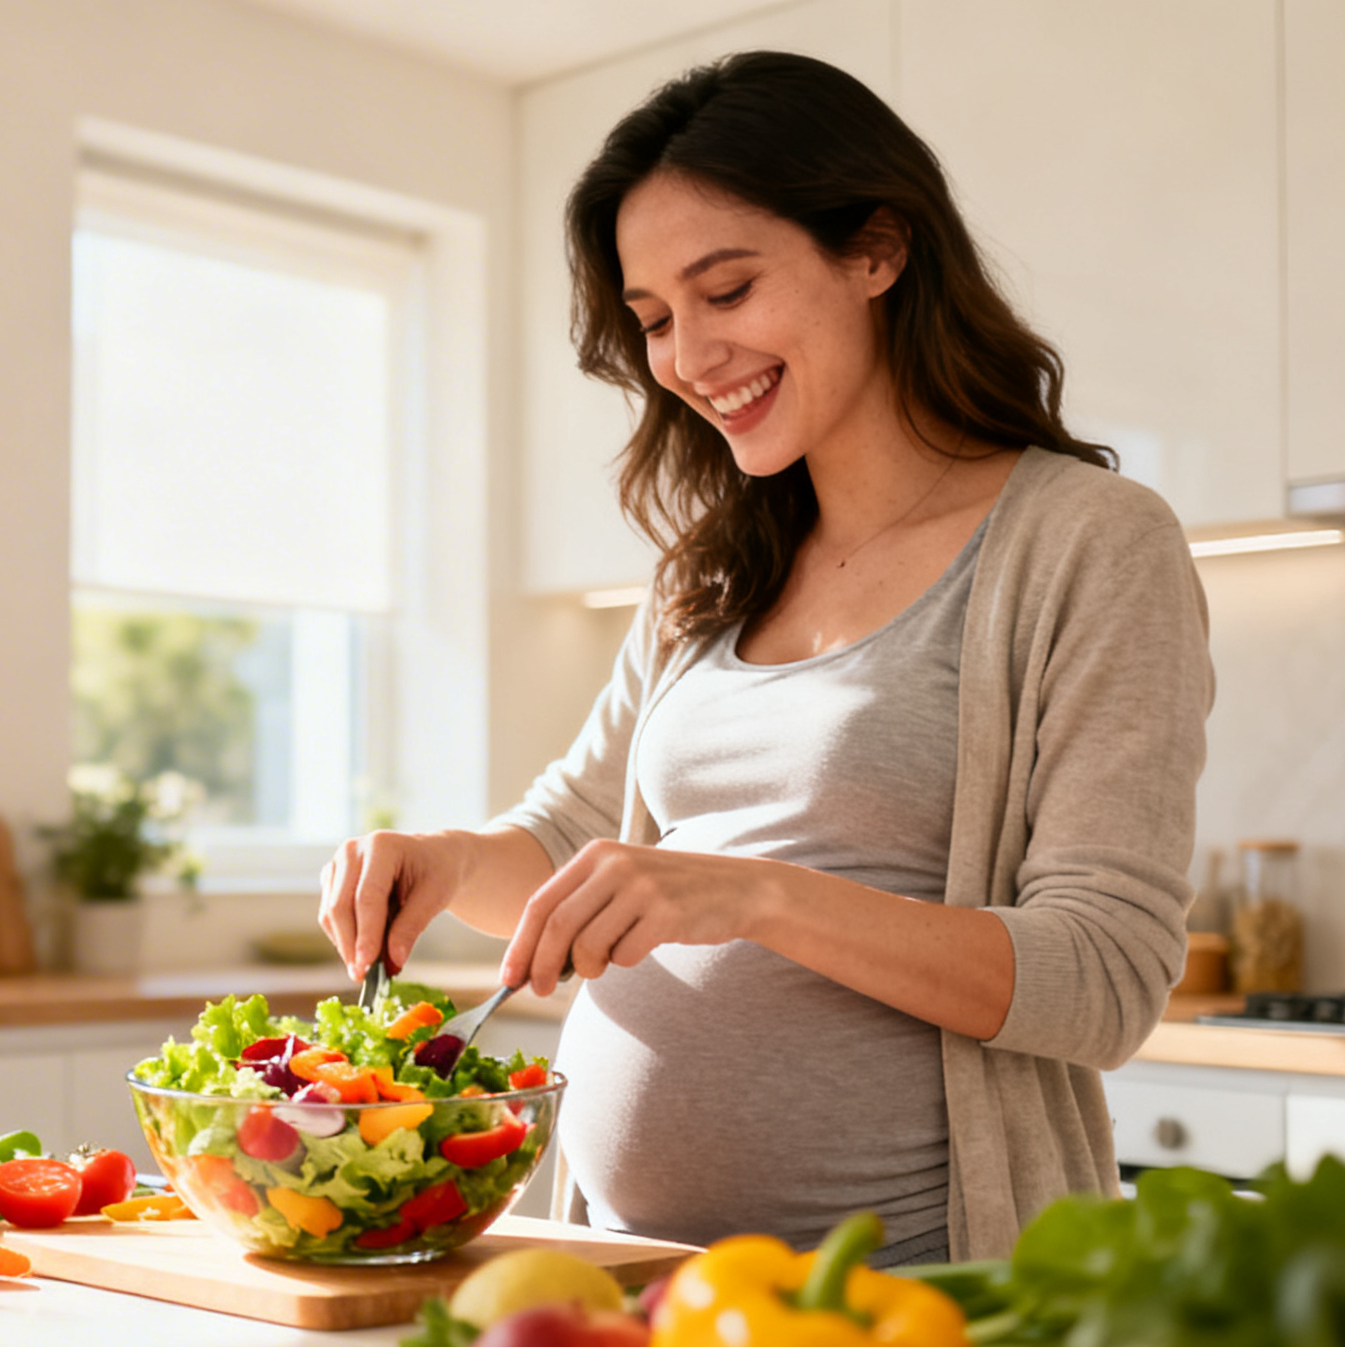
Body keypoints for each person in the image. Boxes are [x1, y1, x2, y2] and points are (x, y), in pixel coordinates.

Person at [315, 51, 1212, 1264]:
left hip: (922, 1309)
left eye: (725, 291)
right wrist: (441, 861)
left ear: (877, 250)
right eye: (654, 322)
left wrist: (751, 894)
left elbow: (1101, 978)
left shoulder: (1088, 543)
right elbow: (574, 841)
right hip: (627, 1284)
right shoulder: (708, 569)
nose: (686, 357)